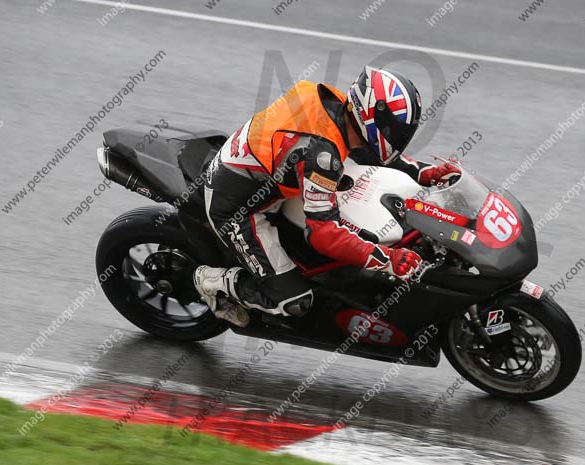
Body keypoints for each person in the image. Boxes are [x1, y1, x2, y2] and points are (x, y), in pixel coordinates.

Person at [194, 65, 462, 326]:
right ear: (372, 118)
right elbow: (323, 234)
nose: (398, 138)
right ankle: (214, 282)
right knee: (294, 301)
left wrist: (426, 173)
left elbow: (368, 151)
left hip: (262, 169)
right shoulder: (321, 157)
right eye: (394, 130)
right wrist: (386, 259)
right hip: (239, 207)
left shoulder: (340, 109)